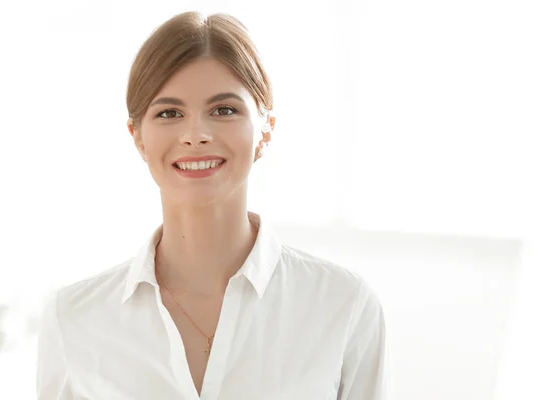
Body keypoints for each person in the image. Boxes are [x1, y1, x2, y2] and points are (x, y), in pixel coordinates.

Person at [36, 10, 389, 400]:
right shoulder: (73, 318)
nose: (195, 135)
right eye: (169, 113)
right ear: (137, 136)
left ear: (265, 129)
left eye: (224, 110)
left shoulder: (343, 305)